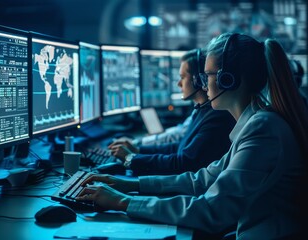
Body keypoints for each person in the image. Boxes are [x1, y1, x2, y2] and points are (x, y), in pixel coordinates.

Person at [77, 33, 308, 239]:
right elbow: (202, 179)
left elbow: (212, 210)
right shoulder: (257, 123)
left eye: (208, 75)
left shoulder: (263, 131)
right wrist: (129, 184)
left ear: (229, 79)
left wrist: (123, 202)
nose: (203, 84)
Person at [108, 49, 235, 176]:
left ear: (198, 80)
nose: (179, 84)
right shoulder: (203, 110)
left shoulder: (216, 116)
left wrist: (131, 158)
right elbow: (180, 146)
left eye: (182, 77)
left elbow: (183, 163)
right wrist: (138, 150)